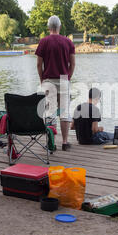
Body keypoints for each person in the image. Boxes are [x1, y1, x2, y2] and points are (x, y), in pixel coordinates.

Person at [36, 15, 76, 151]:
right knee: (64, 113)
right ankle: (65, 142)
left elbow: (38, 64)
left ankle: (51, 143)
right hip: (64, 80)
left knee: (49, 112)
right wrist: (68, 77)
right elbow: (73, 63)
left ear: (48, 27)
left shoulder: (43, 42)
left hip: (48, 80)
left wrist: (42, 79)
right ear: (59, 27)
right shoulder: (68, 42)